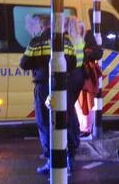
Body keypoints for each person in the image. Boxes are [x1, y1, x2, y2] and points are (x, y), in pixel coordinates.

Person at [19, 14, 78, 174]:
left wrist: (39, 64)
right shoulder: (66, 41)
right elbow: (73, 63)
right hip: (62, 86)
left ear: (41, 26)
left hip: (43, 86)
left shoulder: (36, 42)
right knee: (64, 120)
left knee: (45, 123)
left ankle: (51, 161)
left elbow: (24, 63)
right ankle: (69, 159)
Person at [69, 17, 103, 137]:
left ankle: (86, 128)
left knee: (87, 101)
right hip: (76, 73)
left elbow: (99, 52)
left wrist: (88, 54)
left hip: (86, 74)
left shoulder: (87, 36)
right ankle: (82, 127)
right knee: (78, 103)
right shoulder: (71, 37)